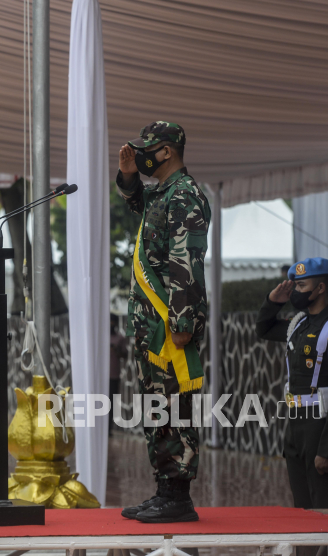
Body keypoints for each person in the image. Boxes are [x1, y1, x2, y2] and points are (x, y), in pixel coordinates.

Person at [116, 121, 211, 523]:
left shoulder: (186, 195)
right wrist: (127, 175)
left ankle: (178, 496)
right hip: (152, 324)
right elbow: (136, 202)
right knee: (158, 406)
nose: (144, 155)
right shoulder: (162, 194)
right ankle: (164, 491)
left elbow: (185, 261)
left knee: (175, 406)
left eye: (148, 150)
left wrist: (183, 320)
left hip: (171, 324)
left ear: (168, 151)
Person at [256, 257, 328, 509]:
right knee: (303, 513)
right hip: (296, 427)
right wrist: (272, 302)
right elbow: (263, 329)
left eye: (301, 286)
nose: (296, 292)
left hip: (320, 428)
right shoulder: (299, 324)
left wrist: (327, 449)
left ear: (320, 288)